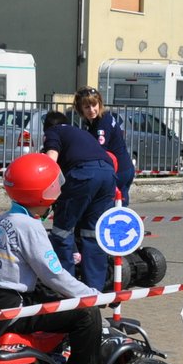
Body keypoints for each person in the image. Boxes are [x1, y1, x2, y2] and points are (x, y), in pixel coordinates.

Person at [0, 153, 115, 364]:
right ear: (44, 193)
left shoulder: (4, 220)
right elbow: (53, 274)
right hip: (13, 308)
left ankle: (57, 354)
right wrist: (92, 295)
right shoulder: (29, 227)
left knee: (55, 297)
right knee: (86, 315)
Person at [43, 108, 117, 292]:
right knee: (92, 233)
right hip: (108, 176)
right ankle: (94, 291)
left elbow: (50, 161)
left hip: (84, 175)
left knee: (62, 231)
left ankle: (67, 289)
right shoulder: (81, 134)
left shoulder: (54, 131)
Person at [75, 86, 136, 204]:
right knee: (118, 206)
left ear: (99, 104)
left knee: (111, 207)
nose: (91, 110)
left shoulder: (102, 123)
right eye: (87, 107)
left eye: (94, 105)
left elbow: (99, 151)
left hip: (119, 170)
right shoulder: (96, 121)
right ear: (80, 109)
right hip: (122, 168)